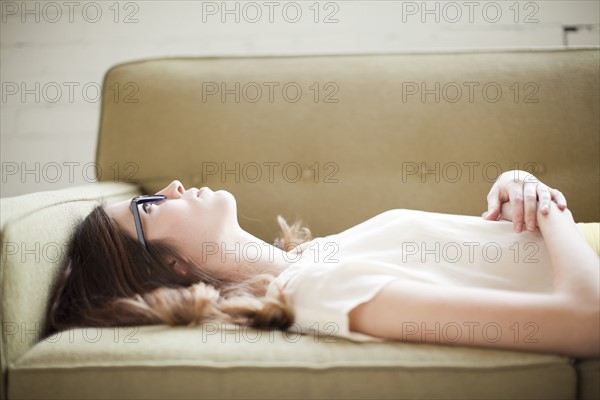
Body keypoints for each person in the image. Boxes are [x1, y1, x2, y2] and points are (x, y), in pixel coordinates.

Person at [43, 170, 599, 358]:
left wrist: (517, 190)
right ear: (171, 271)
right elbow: (584, 320)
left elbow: (489, 264)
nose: (171, 186)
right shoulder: (321, 289)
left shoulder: (316, 256)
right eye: (148, 207)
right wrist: (553, 211)